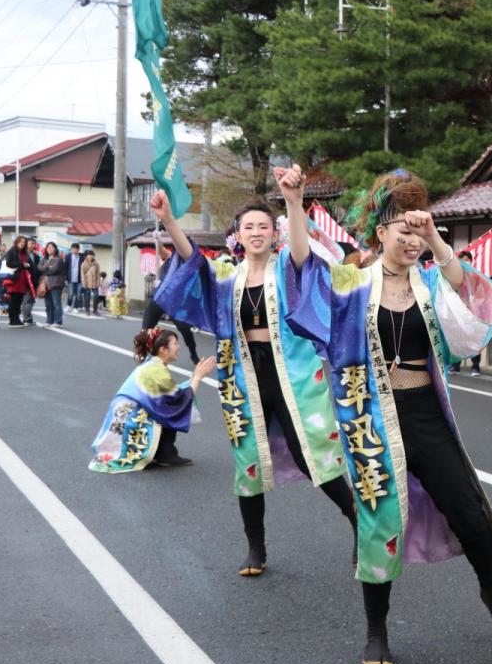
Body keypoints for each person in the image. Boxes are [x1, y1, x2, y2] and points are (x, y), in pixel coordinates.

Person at [283, 165, 492, 664]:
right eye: (404, 231)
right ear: (380, 233)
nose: (412, 240)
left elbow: (477, 302)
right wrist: (295, 201)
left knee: (470, 512)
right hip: (371, 419)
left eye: (418, 231)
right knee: (377, 524)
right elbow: (304, 267)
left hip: (427, 415)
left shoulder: (432, 281)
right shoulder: (352, 283)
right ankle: (376, 631)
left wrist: (435, 237)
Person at [150, 184, 356, 578]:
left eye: (264, 225)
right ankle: (255, 547)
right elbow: (192, 260)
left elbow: (301, 249)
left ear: (274, 233)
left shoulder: (288, 268)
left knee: (311, 454)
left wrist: (293, 203)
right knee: (248, 461)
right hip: (244, 376)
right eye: (249, 226)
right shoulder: (228, 275)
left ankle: (359, 523)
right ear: (238, 235)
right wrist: (169, 220)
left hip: (293, 377)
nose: (257, 231)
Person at [90, 329, 216, 472]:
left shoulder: (153, 365)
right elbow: (176, 400)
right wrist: (198, 377)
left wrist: (196, 377)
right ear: (163, 349)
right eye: (175, 343)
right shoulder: (156, 370)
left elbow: (173, 394)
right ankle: (165, 453)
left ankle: (162, 452)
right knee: (172, 407)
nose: (178, 347)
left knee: (171, 403)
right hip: (128, 420)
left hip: (123, 418)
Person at [141, 244, 200, 364]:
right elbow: (161, 249)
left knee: (185, 329)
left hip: (175, 303)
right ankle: (144, 353)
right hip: (159, 298)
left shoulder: (190, 264)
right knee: (146, 329)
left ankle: (193, 353)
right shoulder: (170, 257)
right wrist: (158, 238)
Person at [448, 250, 483, 375]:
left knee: (474, 339)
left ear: (471, 261)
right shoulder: (454, 275)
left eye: (467, 259)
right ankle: (455, 365)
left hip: (473, 313)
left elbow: (482, 295)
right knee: (458, 339)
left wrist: (476, 304)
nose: (465, 262)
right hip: (458, 312)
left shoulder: (477, 276)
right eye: (462, 260)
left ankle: (475, 366)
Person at [2, 236, 35, 327]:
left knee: (19, 300)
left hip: (23, 280)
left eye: (24, 242)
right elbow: (9, 263)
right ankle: (13, 320)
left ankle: (16, 319)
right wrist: (22, 264)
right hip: (14, 279)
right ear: (16, 242)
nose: (22, 243)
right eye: (21, 241)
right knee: (14, 300)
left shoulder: (25, 253)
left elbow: (31, 266)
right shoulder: (12, 251)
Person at [36, 241, 66, 326]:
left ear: (55, 249)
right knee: (48, 304)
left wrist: (45, 269)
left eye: (52, 247)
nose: (49, 249)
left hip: (56, 283)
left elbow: (54, 270)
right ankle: (49, 320)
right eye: (48, 247)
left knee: (56, 303)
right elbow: (39, 268)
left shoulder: (59, 259)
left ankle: (58, 321)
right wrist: (47, 267)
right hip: (45, 284)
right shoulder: (44, 259)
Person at [64, 242, 85, 312]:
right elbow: (66, 267)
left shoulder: (82, 256)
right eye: (72, 249)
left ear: (78, 249)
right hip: (70, 278)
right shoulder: (68, 256)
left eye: (75, 249)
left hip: (80, 278)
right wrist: (65, 277)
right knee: (70, 293)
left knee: (78, 294)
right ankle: (68, 306)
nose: (73, 250)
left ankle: (76, 307)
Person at [81, 250, 101, 315]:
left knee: (96, 296)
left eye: (92, 255)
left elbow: (98, 274)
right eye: (89, 255)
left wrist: (98, 283)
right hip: (87, 283)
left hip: (95, 283)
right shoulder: (83, 264)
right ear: (86, 256)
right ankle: (87, 310)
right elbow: (82, 275)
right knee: (87, 297)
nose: (90, 256)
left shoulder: (96, 264)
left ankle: (95, 310)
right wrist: (84, 284)